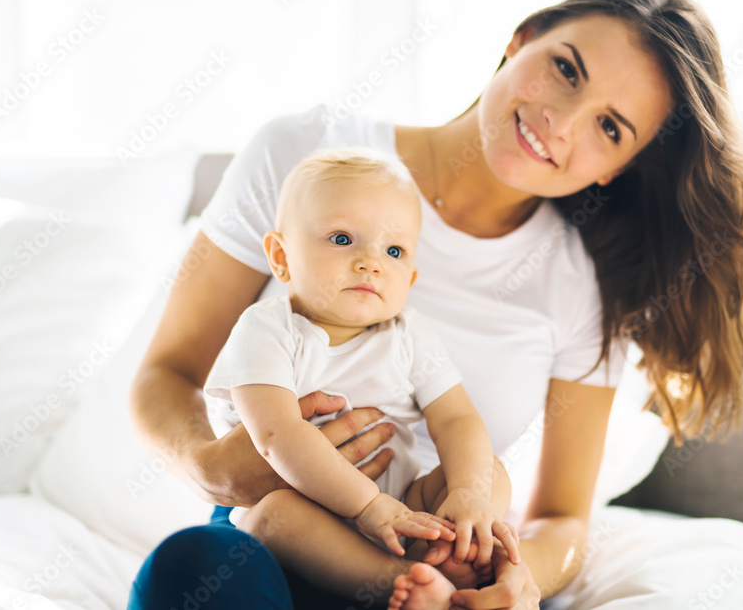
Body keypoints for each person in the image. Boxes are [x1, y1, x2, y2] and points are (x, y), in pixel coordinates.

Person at [128, 0, 743, 609]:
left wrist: (522, 579)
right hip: (273, 528)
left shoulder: (582, 284)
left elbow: (561, 518)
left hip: (434, 551)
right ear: (519, 41)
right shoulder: (307, 156)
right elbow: (168, 373)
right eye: (566, 70)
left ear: (619, 168)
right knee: (190, 573)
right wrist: (213, 467)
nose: (562, 121)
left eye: (610, 128)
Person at [201, 147, 521, 606]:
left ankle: (449, 550)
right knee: (274, 517)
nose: (371, 261)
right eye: (342, 239)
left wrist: (469, 493)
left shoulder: (409, 333)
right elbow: (277, 434)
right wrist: (369, 507)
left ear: (409, 279)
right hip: (305, 508)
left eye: (393, 250)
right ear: (281, 255)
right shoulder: (266, 330)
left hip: (403, 508)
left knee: (490, 472)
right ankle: (398, 579)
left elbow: (455, 419)